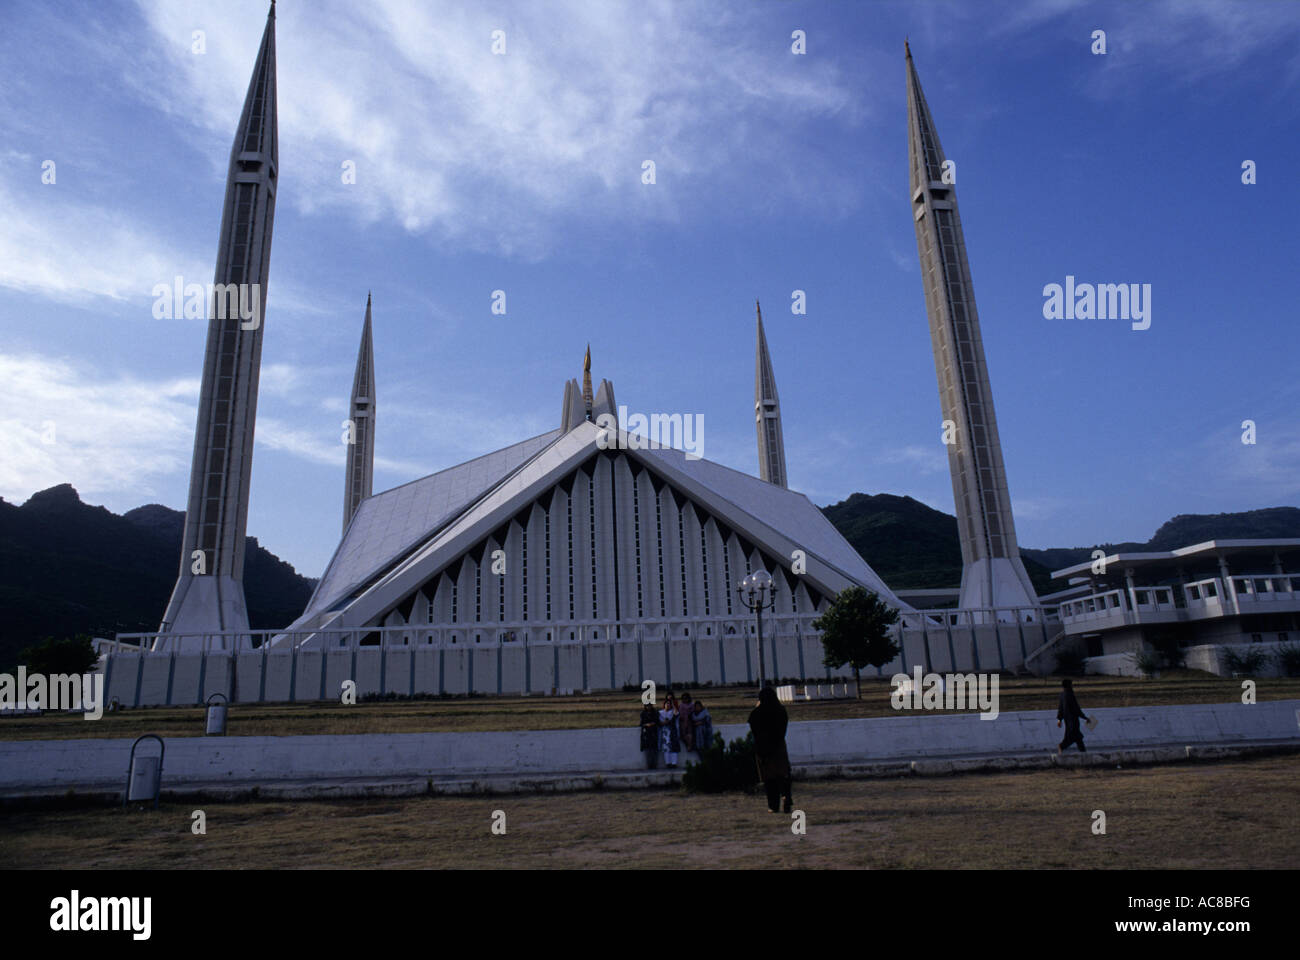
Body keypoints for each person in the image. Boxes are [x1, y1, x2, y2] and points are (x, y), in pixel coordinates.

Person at [748, 685, 793, 813]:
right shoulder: (780, 710)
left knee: (769, 778)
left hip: (763, 748)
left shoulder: (757, 713)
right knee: (783, 774)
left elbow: (754, 729)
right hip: (779, 746)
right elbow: (783, 728)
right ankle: (786, 796)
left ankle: (773, 805)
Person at [1056, 678, 1091, 754]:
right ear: (1068, 686)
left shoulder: (1062, 695)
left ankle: (1083, 752)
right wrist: (1085, 717)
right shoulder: (1070, 695)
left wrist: (1059, 719)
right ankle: (1062, 746)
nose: (1072, 686)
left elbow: (1060, 708)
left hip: (1067, 720)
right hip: (1073, 720)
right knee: (1074, 736)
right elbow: (1076, 708)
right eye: (1071, 684)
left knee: (1077, 736)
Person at [659, 695, 680, 767]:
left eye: (669, 704)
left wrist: (673, 703)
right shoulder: (660, 713)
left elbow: (676, 713)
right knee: (666, 748)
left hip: (673, 731)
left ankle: (674, 763)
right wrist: (665, 722)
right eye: (666, 704)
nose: (668, 705)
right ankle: (668, 763)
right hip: (665, 732)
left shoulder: (673, 712)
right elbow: (660, 722)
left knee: (674, 748)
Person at [639, 702, 661, 769]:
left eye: (649, 706)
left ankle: (654, 764)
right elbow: (641, 723)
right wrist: (646, 725)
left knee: (654, 750)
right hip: (646, 734)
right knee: (647, 750)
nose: (648, 707)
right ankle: (649, 765)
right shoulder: (643, 714)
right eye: (647, 706)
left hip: (654, 733)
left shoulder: (655, 713)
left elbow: (658, 722)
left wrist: (653, 724)